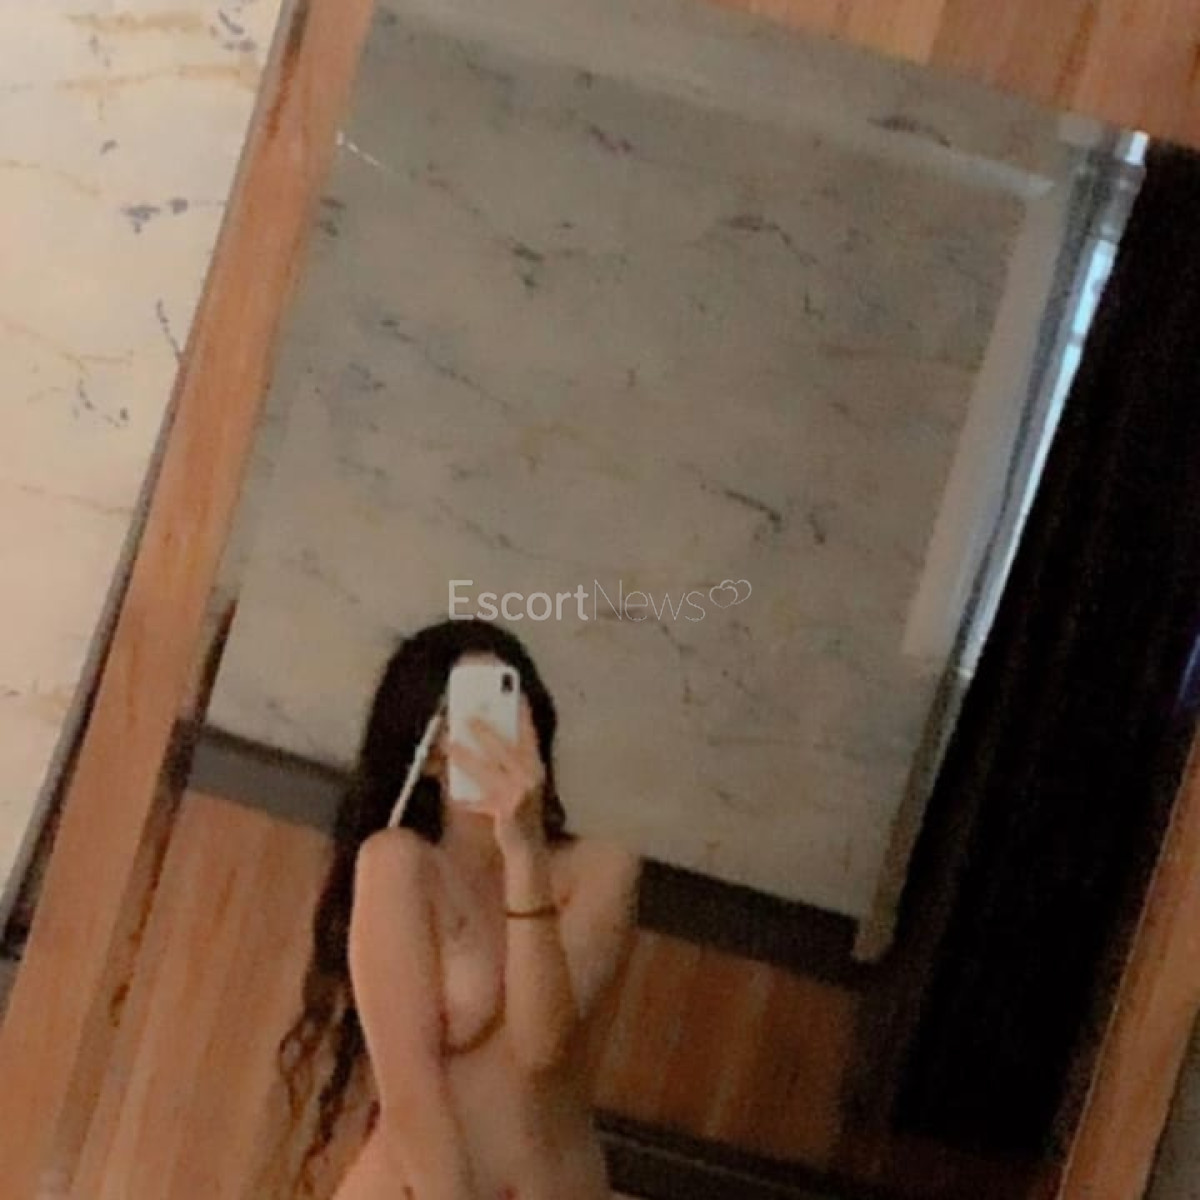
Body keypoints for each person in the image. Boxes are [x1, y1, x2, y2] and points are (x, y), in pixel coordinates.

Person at [278, 618, 642, 1199]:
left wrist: (524, 853)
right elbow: (410, 1096)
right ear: (429, 752)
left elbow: (541, 1045)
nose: (497, 731)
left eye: (510, 707)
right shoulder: (400, 865)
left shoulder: (600, 869)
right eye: (474, 712)